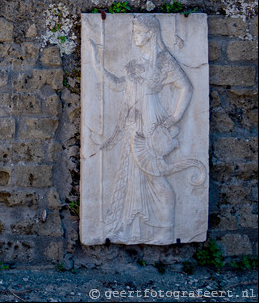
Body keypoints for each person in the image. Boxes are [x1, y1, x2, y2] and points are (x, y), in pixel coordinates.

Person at [88, 14, 206, 244]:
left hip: (152, 123)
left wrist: (173, 118)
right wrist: (95, 62)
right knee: (133, 175)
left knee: (156, 177)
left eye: (137, 32)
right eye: (133, 31)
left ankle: (166, 229)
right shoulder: (136, 62)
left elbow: (186, 88)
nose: (133, 36)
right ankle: (134, 230)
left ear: (150, 33)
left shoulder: (163, 60)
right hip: (134, 123)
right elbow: (119, 86)